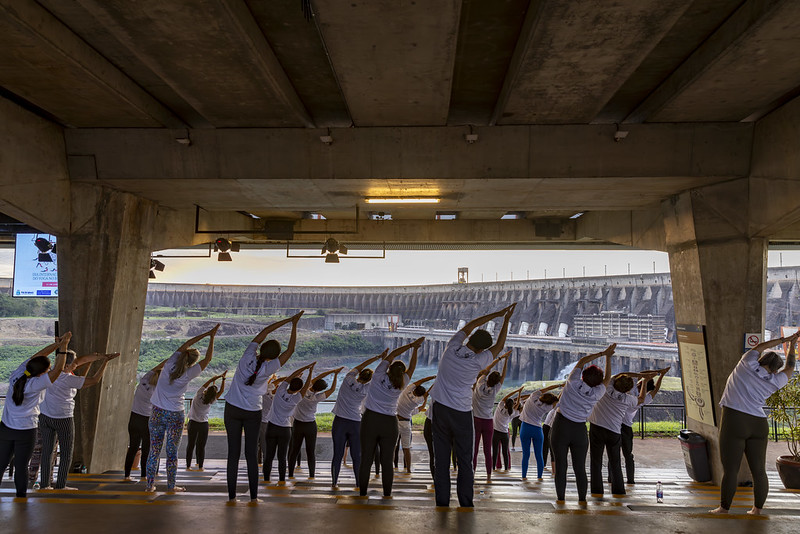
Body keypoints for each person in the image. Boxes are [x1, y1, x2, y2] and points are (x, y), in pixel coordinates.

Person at [430, 304, 515, 508]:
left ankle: (442, 502)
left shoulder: (452, 346)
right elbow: (500, 346)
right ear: (482, 349)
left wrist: (496, 314)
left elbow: (469, 325)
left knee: (441, 459)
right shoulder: (478, 360)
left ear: (470, 340)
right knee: (465, 459)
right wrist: (505, 321)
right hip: (461, 412)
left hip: (439, 409)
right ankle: (465, 503)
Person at [711, 332, 799, 515]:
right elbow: (791, 366)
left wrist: (785, 339)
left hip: (735, 420)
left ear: (762, 360)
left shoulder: (747, 364)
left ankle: (723, 508)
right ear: (775, 369)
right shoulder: (776, 380)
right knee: (759, 471)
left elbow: (759, 347)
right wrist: (793, 345)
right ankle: (756, 510)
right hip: (759, 423)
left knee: (731, 470)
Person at [224, 312, 302, 502]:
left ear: (261, 349)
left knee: (233, 454)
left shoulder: (247, 356)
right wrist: (294, 325)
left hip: (232, 408)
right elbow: (290, 351)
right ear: (273, 357)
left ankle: (232, 496)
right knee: (251, 454)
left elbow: (265, 331)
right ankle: (253, 497)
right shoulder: (269, 369)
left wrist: (287, 320)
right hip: (252, 412)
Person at [147, 324, 219, 493]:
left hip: (157, 412)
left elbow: (187, 342)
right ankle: (171, 486)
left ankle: (149, 485)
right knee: (172, 453)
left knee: (154, 450)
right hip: (175, 415)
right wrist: (212, 338)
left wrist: (207, 332)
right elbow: (207, 360)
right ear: (192, 362)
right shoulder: (189, 373)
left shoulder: (171, 361)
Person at [0, 333, 70, 498]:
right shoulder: (35, 384)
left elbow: (39, 356)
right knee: (21, 465)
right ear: (42, 373)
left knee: (1, 463)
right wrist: (64, 346)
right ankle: (21, 498)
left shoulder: (19, 373)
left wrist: (57, 345)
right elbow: (58, 370)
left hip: (5, 427)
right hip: (26, 430)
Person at [38, 350, 119, 489]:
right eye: (73, 364)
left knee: (47, 452)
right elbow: (94, 380)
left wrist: (98, 356)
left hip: (45, 416)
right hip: (63, 418)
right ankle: (61, 485)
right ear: (67, 365)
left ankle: (44, 484)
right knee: (66, 453)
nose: (76, 365)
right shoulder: (68, 379)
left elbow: (81, 361)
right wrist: (104, 362)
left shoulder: (50, 373)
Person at [550, 343, 615, 505]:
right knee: (580, 468)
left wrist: (603, 352)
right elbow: (608, 378)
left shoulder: (572, 382)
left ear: (583, 376)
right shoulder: (597, 392)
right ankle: (582, 500)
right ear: (598, 383)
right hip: (579, 430)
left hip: (561, 426)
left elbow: (582, 361)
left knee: (561, 466)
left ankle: (561, 499)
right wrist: (609, 358)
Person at [358, 338, 422, 497]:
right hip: (389, 423)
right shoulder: (403, 382)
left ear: (389, 369)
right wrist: (416, 350)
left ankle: (363, 494)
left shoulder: (379, 374)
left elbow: (392, 354)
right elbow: (413, 367)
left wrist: (410, 346)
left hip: (370, 420)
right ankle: (387, 494)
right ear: (402, 373)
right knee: (387, 461)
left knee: (366, 459)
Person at [588, 371, 656, 497]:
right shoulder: (628, 399)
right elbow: (641, 399)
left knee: (596, 460)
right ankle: (618, 490)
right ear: (629, 389)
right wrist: (645, 381)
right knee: (616, 462)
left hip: (596, 427)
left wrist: (638, 375)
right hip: (614, 431)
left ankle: (596, 490)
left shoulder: (607, 388)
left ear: (616, 382)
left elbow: (619, 374)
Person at [330, 354, 382, 488]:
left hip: (340, 421)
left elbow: (360, 366)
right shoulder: (367, 389)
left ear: (359, 375)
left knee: (337, 454)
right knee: (357, 456)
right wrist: (384, 359)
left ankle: (334, 482)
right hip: (355, 423)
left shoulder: (348, 378)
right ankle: (359, 484)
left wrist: (377, 357)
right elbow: (378, 379)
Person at [264, 362, 316, 483]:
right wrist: (311, 372)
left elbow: (290, 376)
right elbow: (306, 386)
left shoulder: (280, 390)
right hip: (285, 429)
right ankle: (282, 480)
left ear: (289, 384)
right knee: (282, 457)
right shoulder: (296, 398)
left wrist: (305, 368)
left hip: (271, 426)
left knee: (269, 456)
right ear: (298, 389)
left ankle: (266, 479)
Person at [288, 367, 343, 479]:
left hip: (298, 424)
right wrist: (336, 376)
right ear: (320, 390)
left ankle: (290, 474)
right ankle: (312, 475)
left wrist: (314, 371)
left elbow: (318, 378)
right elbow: (332, 390)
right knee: (310, 451)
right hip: (310, 425)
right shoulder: (317, 397)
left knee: (294, 450)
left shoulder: (303, 391)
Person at [620, 367, 669, 484]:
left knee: (614, 453)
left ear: (641, 382)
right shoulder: (644, 399)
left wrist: (657, 373)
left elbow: (637, 375)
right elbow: (655, 390)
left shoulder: (631, 390)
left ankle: (612, 478)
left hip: (616, 424)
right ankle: (630, 480)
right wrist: (660, 375)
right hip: (627, 427)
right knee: (628, 455)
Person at [124, 359, 166, 482]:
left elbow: (157, 367)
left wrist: (168, 361)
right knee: (146, 449)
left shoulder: (143, 381)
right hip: (147, 420)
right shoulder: (157, 392)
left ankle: (127, 475)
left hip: (134, 418)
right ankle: (143, 475)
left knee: (133, 447)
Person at [472, 351, 510, 481]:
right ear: (497, 382)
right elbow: (504, 375)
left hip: (476, 420)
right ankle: (488, 475)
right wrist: (506, 361)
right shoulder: (495, 390)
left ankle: (472, 472)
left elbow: (485, 370)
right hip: (488, 422)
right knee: (488, 451)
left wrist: (499, 358)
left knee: (474, 450)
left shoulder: (480, 383)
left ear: (488, 378)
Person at [519, 383, 562, 480]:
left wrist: (558, 385)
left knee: (526, 454)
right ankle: (539, 477)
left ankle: (524, 476)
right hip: (537, 430)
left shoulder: (533, 396)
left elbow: (546, 388)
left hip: (525, 428)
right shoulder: (548, 407)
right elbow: (558, 401)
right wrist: (564, 388)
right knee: (539, 454)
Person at [186, 371, 227, 471]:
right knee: (201, 446)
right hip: (203, 424)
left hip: (193, 423)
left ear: (206, 390)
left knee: (191, 444)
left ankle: (188, 466)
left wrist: (214, 379)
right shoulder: (211, 400)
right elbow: (221, 391)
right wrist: (223, 379)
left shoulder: (198, 395)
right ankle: (200, 466)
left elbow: (205, 384)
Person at [395, 375, 435, 473]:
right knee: (406, 448)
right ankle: (408, 470)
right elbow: (427, 395)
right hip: (406, 423)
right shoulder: (417, 401)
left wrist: (432, 377)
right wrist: (436, 382)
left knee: (393, 446)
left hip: (395, 421)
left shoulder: (407, 390)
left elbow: (421, 380)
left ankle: (391, 467)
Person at [491, 388, 523, 471]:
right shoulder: (512, 413)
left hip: (496, 432)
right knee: (505, 452)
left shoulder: (500, 406)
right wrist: (519, 395)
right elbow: (518, 405)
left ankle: (493, 468)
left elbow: (506, 397)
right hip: (505, 434)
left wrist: (517, 391)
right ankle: (506, 469)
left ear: (505, 403)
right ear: (512, 405)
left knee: (495, 451)